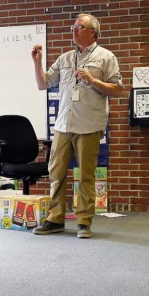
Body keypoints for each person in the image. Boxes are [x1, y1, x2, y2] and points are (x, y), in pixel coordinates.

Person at [31, 13, 125, 239]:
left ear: (92, 32)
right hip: (64, 124)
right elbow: (43, 83)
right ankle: (55, 220)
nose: (73, 30)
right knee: (56, 173)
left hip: (89, 124)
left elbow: (118, 89)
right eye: (73, 26)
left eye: (79, 26)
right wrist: (37, 62)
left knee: (85, 176)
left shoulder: (105, 57)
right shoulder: (64, 59)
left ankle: (83, 222)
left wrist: (92, 80)